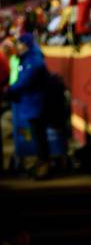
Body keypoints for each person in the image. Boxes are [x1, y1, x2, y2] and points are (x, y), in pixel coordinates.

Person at [6, 33, 49, 178]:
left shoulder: (34, 60)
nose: (17, 47)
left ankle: (44, 166)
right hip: (30, 103)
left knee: (39, 135)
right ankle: (41, 164)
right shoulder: (27, 59)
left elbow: (25, 80)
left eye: (19, 44)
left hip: (36, 103)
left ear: (26, 45)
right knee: (38, 136)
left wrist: (10, 90)